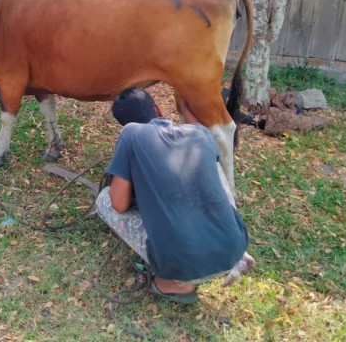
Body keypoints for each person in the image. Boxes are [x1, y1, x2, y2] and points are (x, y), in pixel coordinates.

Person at [95, 88, 254, 303]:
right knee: (211, 164)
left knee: (105, 199)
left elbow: (119, 204)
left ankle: (175, 285)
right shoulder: (200, 134)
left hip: (185, 265)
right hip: (234, 248)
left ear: (123, 124)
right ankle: (238, 258)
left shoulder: (130, 134)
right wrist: (185, 108)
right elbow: (199, 130)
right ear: (157, 109)